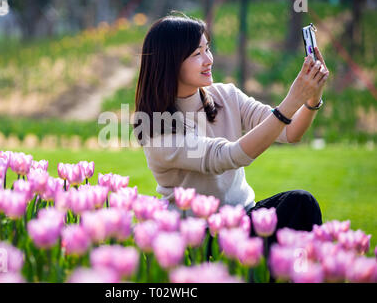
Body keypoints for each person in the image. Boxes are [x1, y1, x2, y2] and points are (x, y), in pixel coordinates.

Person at [133, 13, 328, 253]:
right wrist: (291, 100)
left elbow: (290, 132)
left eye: (208, 49)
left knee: (301, 203)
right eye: (197, 54)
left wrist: (311, 99)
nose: (209, 60)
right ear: (170, 63)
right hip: (201, 236)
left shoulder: (226, 96)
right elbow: (228, 157)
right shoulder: (158, 132)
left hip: (244, 218)